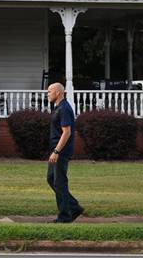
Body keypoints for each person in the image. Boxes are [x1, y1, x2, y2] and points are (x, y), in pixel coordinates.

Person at [46, 83, 84, 223]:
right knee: (51, 179)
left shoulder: (64, 108)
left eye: (49, 91)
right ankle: (74, 207)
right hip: (56, 150)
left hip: (60, 151)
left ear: (58, 93)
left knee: (59, 182)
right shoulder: (58, 108)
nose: (47, 94)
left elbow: (67, 132)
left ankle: (64, 216)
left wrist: (56, 151)